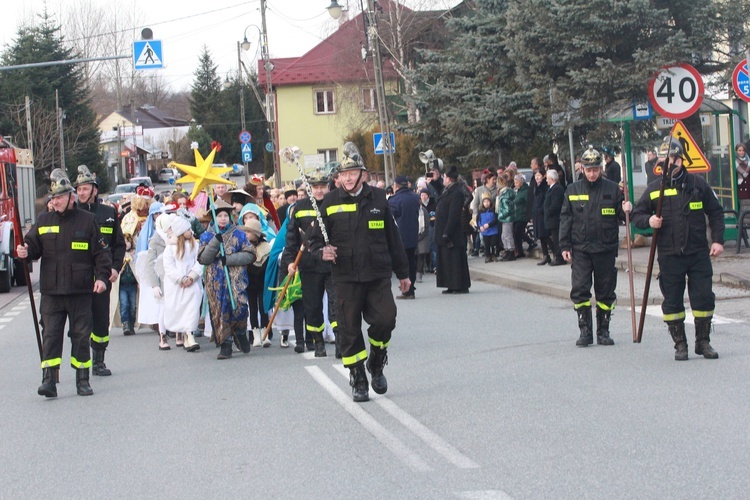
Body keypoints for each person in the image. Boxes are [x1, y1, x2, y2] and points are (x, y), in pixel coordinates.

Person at [311, 143, 409, 403]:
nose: (348, 177)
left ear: (363, 174)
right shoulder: (330, 202)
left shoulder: (378, 199)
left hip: (377, 275)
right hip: (345, 278)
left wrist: (404, 273)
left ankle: (376, 362)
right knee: (349, 329)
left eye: (353, 172)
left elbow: (393, 238)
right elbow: (314, 241)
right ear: (338, 178)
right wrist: (323, 251)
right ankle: (358, 377)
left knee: (386, 320)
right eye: (344, 174)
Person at [18, 169, 111, 398]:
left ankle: (82, 380)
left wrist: (101, 278)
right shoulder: (43, 220)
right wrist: (24, 251)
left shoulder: (88, 220)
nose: (55, 201)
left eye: (59, 197)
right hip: (51, 291)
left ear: (70, 196)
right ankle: (49, 380)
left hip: (80, 291)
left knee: (80, 336)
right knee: (50, 335)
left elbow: (101, 254)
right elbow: (33, 248)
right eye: (53, 197)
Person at [632, 137, 725, 361]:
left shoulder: (698, 184)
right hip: (669, 254)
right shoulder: (655, 189)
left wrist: (718, 241)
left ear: (682, 159)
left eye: (675, 158)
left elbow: (716, 212)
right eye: (667, 159)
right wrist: (649, 221)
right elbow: (637, 215)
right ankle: (679, 344)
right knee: (672, 301)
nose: (671, 163)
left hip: (698, 252)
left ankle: (703, 342)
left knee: (703, 298)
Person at [559, 147, 632, 347]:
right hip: (581, 249)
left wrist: (627, 209)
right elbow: (565, 218)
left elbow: (622, 215)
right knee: (580, 289)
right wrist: (564, 245)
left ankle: (603, 331)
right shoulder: (572, 190)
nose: (592, 174)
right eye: (588, 170)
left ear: (601, 169)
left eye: (595, 170)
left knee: (605, 291)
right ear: (582, 169)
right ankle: (585, 331)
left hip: (605, 249)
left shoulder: (612, 189)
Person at [73, 165, 125, 377]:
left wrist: (115, 267)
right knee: (81, 321)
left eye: (85, 189)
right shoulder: (72, 214)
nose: (81, 193)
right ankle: (82, 361)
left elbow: (119, 245)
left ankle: (99, 360)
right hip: (79, 277)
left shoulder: (108, 213)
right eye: (79, 189)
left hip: (103, 276)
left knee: (101, 320)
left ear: (94, 190)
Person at [282, 171, 339, 356]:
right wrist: (290, 261)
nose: (320, 191)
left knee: (337, 304)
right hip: (309, 265)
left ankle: (340, 342)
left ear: (328, 187)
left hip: (333, 264)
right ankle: (318, 343)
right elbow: (291, 237)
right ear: (310, 189)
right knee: (312, 306)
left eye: (323, 187)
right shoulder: (300, 207)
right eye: (316, 187)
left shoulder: (335, 204)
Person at [198, 198, 255, 359]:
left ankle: (241, 332)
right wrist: (215, 242)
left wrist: (229, 259)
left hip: (236, 279)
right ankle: (226, 344)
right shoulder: (206, 236)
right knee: (220, 311)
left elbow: (250, 254)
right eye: (219, 215)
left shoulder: (239, 234)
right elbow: (203, 258)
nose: (223, 218)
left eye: (225, 215)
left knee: (239, 307)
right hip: (215, 281)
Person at [162, 214, 202, 352]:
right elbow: (169, 267)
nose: (191, 232)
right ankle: (185, 334)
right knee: (180, 309)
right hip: (177, 284)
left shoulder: (194, 245)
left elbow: (200, 261)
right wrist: (181, 278)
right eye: (188, 229)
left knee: (192, 307)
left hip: (192, 283)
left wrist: (191, 277)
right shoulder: (170, 248)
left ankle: (190, 334)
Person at [435, 166, 471, 293]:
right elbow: (439, 189)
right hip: (444, 231)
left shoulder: (457, 192)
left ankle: (459, 285)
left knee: (455, 261)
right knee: (447, 260)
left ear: (449, 179)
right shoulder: (448, 190)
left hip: (452, 233)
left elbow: (454, 215)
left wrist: (447, 232)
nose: (443, 179)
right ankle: (450, 284)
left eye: (444, 177)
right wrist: (434, 180)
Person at [388, 175, 421, 299]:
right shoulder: (415, 197)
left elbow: (390, 217)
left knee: (402, 263)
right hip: (413, 235)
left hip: (400, 236)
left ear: (396, 186)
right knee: (411, 262)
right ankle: (411, 288)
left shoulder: (394, 200)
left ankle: (406, 290)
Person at [543, 169, 565, 266]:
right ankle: (557, 256)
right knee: (554, 238)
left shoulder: (557, 189)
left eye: (547, 178)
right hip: (551, 219)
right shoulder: (552, 188)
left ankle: (559, 258)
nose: (546, 180)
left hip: (555, 219)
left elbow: (555, 205)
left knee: (556, 239)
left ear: (552, 178)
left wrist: (548, 211)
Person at [531, 169, 552, 265]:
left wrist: (542, 210)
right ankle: (545, 255)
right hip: (537, 214)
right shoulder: (536, 187)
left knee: (545, 236)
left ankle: (556, 253)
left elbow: (545, 201)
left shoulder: (545, 187)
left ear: (543, 176)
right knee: (541, 236)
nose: (537, 177)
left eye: (539, 175)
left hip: (543, 215)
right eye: (535, 176)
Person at [495, 172, 516, 261]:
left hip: (507, 218)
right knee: (504, 235)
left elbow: (507, 208)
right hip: (505, 218)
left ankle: (511, 251)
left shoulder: (506, 194)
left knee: (507, 235)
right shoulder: (503, 193)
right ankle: (507, 250)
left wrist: (501, 215)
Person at [511, 173, 530, 259]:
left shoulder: (525, 191)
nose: (515, 184)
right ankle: (520, 251)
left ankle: (531, 242)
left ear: (521, 182)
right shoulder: (519, 191)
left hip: (522, 214)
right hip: (517, 214)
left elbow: (527, 202)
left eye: (517, 182)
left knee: (518, 231)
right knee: (516, 233)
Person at [477, 193, 499, 262]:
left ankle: (494, 255)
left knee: (494, 244)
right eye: (484, 202)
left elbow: (496, 219)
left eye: (488, 201)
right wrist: (480, 226)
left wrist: (489, 225)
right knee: (486, 244)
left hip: (493, 230)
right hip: (485, 231)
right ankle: (488, 255)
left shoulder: (493, 210)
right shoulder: (480, 211)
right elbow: (478, 220)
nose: (486, 203)